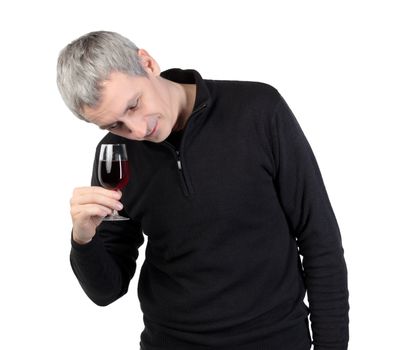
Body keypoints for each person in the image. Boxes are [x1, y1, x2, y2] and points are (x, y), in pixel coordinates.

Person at [57, 31, 349, 350]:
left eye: (134, 105)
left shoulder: (258, 109)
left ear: (147, 63)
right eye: (114, 125)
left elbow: (319, 238)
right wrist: (83, 239)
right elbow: (106, 291)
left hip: (275, 339)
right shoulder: (116, 155)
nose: (137, 130)